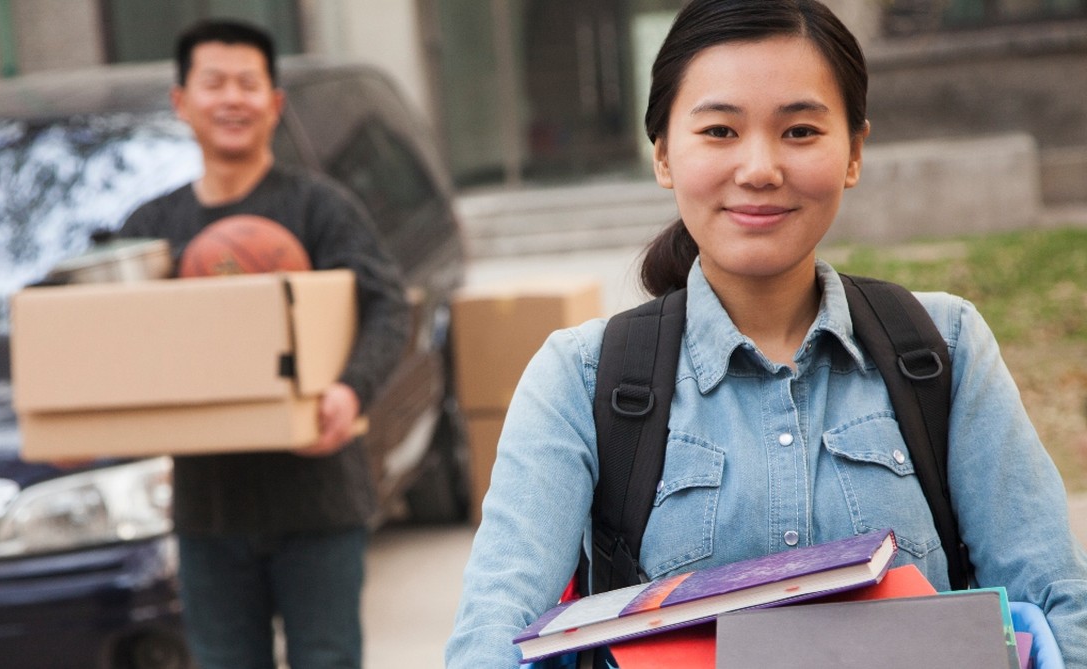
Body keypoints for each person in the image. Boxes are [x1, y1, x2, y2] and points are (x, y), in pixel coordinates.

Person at [445, 1, 1087, 667]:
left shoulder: (943, 348)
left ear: (854, 152)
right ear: (663, 154)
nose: (759, 168)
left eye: (800, 130)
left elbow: (1059, 598)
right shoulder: (580, 377)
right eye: (720, 130)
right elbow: (494, 627)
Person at [119, 19, 410, 669]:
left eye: (248, 84)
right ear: (182, 103)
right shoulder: (151, 228)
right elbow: (109, 329)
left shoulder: (321, 208)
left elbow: (387, 307)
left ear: (274, 104)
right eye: (214, 82)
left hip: (320, 498)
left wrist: (348, 389)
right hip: (208, 508)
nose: (232, 99)